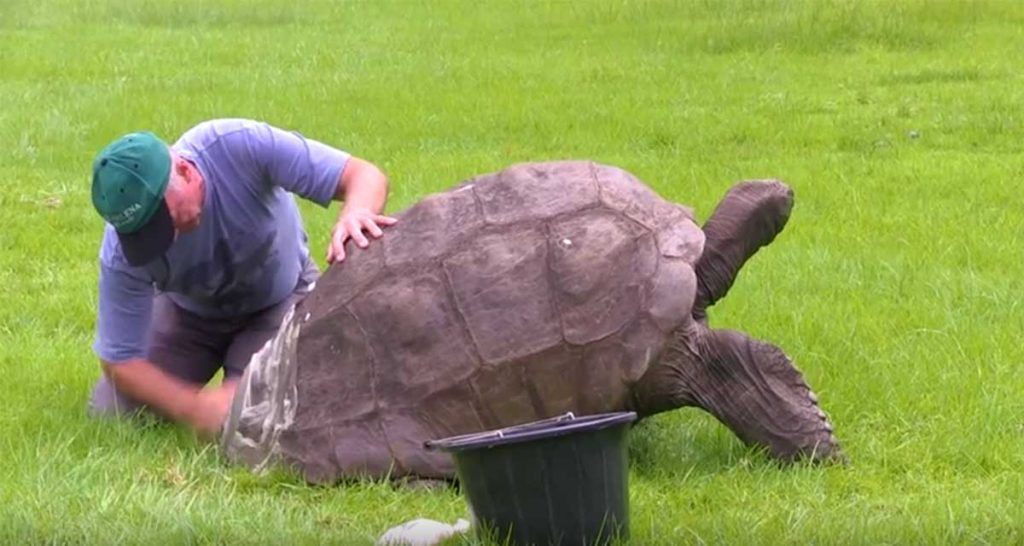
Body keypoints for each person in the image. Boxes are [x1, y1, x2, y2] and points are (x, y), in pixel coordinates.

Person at [87, 118, 397, 437]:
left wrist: (356, 213)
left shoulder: (237, 145)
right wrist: (191, 406)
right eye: (148, 234)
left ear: (184, 170)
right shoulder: (124, 247)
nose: (167, 239)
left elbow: (363, 175)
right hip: (189, 317)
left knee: (256, 420)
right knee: (112, 410)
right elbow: (119, 361)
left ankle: (246, 378)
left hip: (280, 300)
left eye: (163, 221)